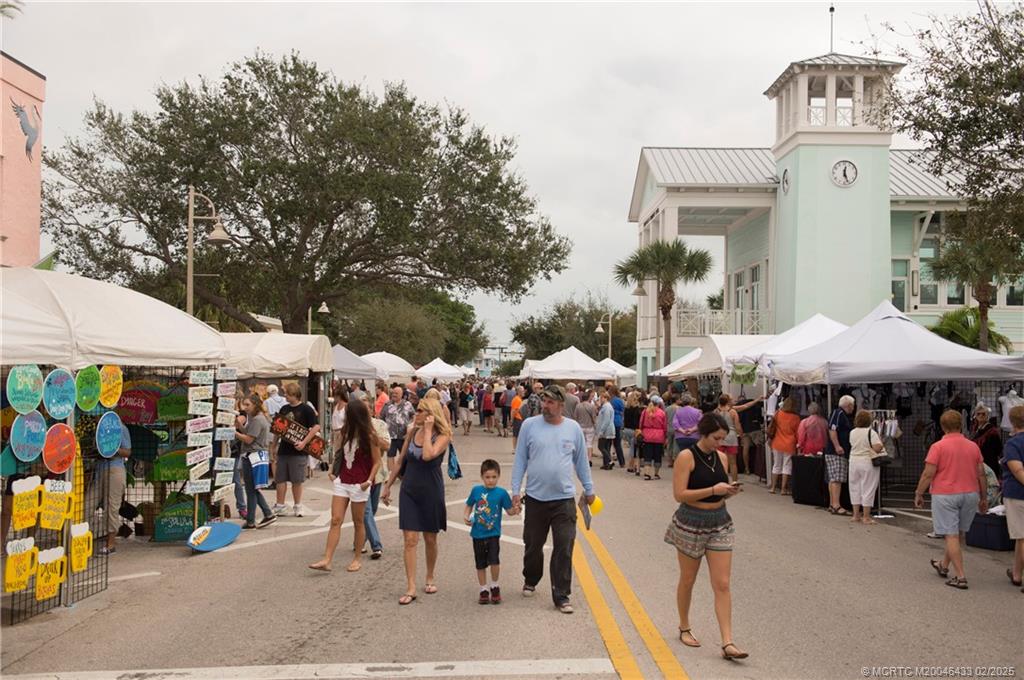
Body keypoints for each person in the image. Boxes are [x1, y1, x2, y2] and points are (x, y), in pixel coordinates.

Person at [666, 413, 747, 660]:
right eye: (716, 438)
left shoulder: (721, 458)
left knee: (722, 583)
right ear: (704, 433)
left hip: (719, 521)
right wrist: (713, 489)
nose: (719, 443)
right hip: (691, 521)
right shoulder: (686, 456)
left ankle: (727, 642)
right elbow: (679, 494)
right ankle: (684, 626)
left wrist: (728, 492)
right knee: (688, 578)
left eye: (722, 439)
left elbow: (720, 490)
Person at [512, 384, 594, 614]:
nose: (545, 406)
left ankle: (561, 595)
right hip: (536, 498)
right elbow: (520, 460)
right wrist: (515, 490)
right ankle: (531, 578)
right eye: (543, 401)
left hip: (564, 499)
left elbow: (581, 462)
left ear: (561, 404)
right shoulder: (529, 425)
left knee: (564, 546)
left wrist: (589, 489)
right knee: (533, 544)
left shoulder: (573, 428)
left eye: (550, 402)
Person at [382, 397, 451, 605]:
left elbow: (428, 455)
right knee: (410, 540)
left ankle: (430, 576)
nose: (416, 414)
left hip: (431, 490)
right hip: (409, 490)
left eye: (420, 411)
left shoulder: (443, 435)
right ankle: (411, 586)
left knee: (430, 538)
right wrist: (388, 485)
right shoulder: (412, 432)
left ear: (431, 414)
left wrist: (428, 430)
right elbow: (401, 460)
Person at [914, 410, 988, 590]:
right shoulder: (973, 446)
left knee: (950, 534)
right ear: (960, 425)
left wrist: (919, 492)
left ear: (942, 427)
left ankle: (961, 576)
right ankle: (943, 565)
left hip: (946, 494)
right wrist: (984, 497)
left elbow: (928, 474)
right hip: (970, 493)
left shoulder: (938, 447)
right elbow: (981, 474)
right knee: (957, 533)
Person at [310, 398, 382, 573]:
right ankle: (327, 559)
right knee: (336, 520)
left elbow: (377, 461)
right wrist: (334, 470)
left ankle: (357, 558)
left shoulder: (370, 436)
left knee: (358, 522)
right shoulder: (345, 432)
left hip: (360, 483)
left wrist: (369, 480)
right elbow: (339, 454)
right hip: (343, 480)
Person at [464, 459, 518, 604]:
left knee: (494, 561)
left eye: (494, 477)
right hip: (477, 534)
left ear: (498, 476)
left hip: (493, 534)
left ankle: (494, 586)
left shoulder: (501, 493)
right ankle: (483, 589)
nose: (491, 480)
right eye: (487, 477)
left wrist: (516, 509)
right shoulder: (476, 490)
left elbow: (510, 511)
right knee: (480, 563)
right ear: (482, 476)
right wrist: (465, 515)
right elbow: (469, 505)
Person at [272, 383, 320, 517]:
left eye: (287, 394)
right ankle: (280, 505)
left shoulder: (306, 409)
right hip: (284, 449)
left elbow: (316, 427)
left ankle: (298, 505)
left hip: (298, 451)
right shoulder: (284, 408)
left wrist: (304, 442)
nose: (285, 396)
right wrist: (274, 446)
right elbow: (278, 428)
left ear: (294, 394)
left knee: (297, 480)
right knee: (280, 479)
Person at [234, 394, 277, 529]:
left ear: (255, 405)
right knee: (252, 489)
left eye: (248, 405)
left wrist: (234, 433)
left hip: (253, 456)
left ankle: (262, 516)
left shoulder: (258, 419)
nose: (245, 407)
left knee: (251, 489)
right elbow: (248, 433)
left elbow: (248, 439)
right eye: (244, 404)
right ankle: (256, 518)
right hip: (255, 456)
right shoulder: (256, 418)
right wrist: (239, 426)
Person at [359, 393, 390, 559]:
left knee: (372, 510)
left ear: (371, 410)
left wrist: (373, 435)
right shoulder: (354, 427)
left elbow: (387, 445)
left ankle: (360, 540)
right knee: (366, 511)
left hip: (377, 473)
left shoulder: (380, 425)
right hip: (360, 475)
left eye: (366, 409)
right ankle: (376, 545)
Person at [94, 420, 131, 555]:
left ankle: (111, 544)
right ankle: (86, 538)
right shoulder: (97, 428)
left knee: (111, 506)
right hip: (99, 470)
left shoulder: (121, 428)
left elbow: (127, 452)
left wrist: (111, 450)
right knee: (87, 504)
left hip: (115, 469)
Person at [1001, 405, 1024, 593]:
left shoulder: (1013, 444)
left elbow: (1017, 470)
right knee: (1020, 536)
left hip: (1017, 494)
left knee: (1021, 536)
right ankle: (1016, 573)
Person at [848, 410, 884, 524]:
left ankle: (855, 515)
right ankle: (866, 517)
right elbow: (877, 447)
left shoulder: (852, 432)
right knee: (868, 488)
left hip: (853, 461)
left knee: (854, 487)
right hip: (867, 461)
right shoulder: (871, 432)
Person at [825, 395, 855, 516]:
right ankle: (836, 505)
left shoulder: (840, 414)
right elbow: (832, 429)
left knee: (833, 478)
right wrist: (837, 446)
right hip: (836, 452)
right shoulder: (838, 413)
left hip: (836, 451)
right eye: (852, 405)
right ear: (849, 405)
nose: (853, 408)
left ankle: (832, 504)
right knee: (837, 478)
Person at [380, 386, 415, 478]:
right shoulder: (387, 405)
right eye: (393, 393)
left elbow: (414, 416)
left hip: (404, 436)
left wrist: (411, 427)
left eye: (396, 393)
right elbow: (381, 417)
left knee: (404, 455)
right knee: (390, 455)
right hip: (390, 436)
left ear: (401, 394)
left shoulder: (407, 404)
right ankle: (392, 475)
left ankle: (403, 473)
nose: (394, 395)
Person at [768, 397, 800, 495]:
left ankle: (773, 487)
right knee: (787, 466)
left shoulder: (778, 413)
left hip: (777, 443)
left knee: (776, 465)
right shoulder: (796, 418)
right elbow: (797, 433)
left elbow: (772, 426)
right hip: (789, 444)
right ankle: (783, 489)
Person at [715, 395, 744, 483]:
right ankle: (734, 482)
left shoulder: (716, 412)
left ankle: (721, 481)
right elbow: (737, 426)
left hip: (720, 437)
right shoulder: (733, 412)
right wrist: (741, 435)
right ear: (728, 401)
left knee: (720, 461)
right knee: (733, 462)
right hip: (731, 437)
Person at [969, 404, 1003, 476]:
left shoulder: (992, 431)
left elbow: (998, 449)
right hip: (977, 463)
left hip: (989, 464)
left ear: (987, 416)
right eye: (978, 414)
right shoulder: (975, 429)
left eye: (983, 414)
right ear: (975, 415)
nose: (981, 416)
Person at [640, 396, 668, 480]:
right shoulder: (662, 413)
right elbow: (665, 426)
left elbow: (641, 423)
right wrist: (665, 436)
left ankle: (647, 473)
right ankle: (656, 473)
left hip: (647, 435)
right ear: (659, 404)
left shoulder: (645, 411)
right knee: (657, 455)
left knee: (647, 455)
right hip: (659, 436)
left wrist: (642, 431)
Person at [673, 394, 702, 471]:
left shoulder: (678, 412)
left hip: (681, 437)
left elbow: (675, 423)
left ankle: (684, 470)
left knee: (683, 454)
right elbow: (700, 423)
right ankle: (693, 469)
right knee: (694, 454)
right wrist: (692, 430)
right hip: (694, 437)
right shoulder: (697, 412)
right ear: (691, 401)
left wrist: (682, 431)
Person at [622, 391, 643, 474]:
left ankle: (632, 465)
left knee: (632, 447)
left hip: (626, 430)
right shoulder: (637, 410)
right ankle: (632, 466)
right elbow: (636, 422)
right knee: (634, 449)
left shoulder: (626, 409)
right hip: (634, 430)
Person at [575, 389, 598, 464]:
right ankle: (589, 459)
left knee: (582, 444)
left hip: (580, 427)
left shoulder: (578, 406)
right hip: (589, 426)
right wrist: (595, 425)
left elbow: (575, 417)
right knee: (589, 444)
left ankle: (582, 458)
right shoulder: (591, 406)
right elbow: (594, 417)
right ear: (588, 398)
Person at [596, 391, 616, 470]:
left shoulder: (607, 407)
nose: (600, 400)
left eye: (601, 398)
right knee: (606, 447)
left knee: (601, 446)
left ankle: (610, 461)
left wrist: (601, 431)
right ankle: (606, 464)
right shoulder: (605, 406)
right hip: (607, 429)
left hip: (606, 430)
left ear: (606, 398)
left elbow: (606, 420)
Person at [609, 386, 626, 468]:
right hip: (618, 422)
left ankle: (608, 460)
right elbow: (623, 411)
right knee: (617, 443)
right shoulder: (620, 400)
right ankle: (622, 462)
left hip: (611, 422)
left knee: (608, 443)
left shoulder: (610, 400)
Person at [664, 394, 681, 468]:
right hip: (677, 429)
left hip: (669, 428)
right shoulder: (680, 409)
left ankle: (670, 461)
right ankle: (675, 459)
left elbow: (665, 419)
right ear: (676, 400)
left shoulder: (667, 409)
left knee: (669, 445)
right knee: (676, 445)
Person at [510, 385, 526, 451]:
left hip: (519, 419)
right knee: (516, 434)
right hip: (517, 419)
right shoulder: (517, 400)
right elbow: (514, 410)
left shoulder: (518, 399)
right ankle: (515, 448)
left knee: (517, 434)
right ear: (519, 392)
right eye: (522, 391)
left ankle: (516, 448)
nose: (524, 392)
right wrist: (512, 420)